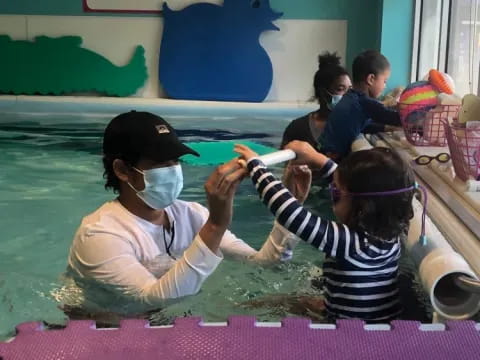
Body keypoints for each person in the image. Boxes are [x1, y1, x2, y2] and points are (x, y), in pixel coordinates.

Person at [65, 111, 309, 315]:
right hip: (105, 331)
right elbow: (156, 299)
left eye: (175, 161)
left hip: (164, 323)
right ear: (122, 170)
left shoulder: (189, 214)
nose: (173, 170)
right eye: (160, 163)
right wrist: (215, 225)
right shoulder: (100, 234)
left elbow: (262, 264)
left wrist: (290, 208)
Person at [235, 141, 417, 322]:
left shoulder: (349, 242)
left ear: (362, 208)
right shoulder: (392, 232)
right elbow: (362, 187)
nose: (332, 196)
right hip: (378, 318)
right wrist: (316, 158)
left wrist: (255, 165)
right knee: (293, 301)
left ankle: (236, 312)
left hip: (351, 331)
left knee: (277, 303)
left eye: (336, 193)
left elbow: (289, 213)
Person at [320, 50, 402, 159]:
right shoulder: (363, 102)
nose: (385, 86)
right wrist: (413, 112)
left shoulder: (351, 97)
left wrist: (387, 128)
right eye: (385, 81)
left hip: (323, 150)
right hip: (333, 157)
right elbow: (393, 118)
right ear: (371, 79)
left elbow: (365, 125)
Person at [280, 52, 351, 151]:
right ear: (323, 92)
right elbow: (284, 163)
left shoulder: (352, 126)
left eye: (349, 90)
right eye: (340, 89)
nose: (347, 95)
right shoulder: (298, 128)